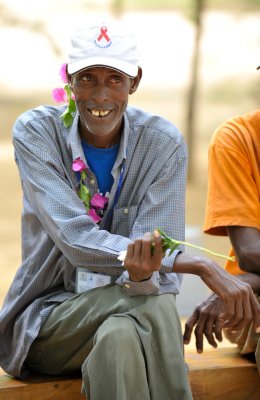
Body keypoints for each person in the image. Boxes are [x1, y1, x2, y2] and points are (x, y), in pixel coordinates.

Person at [0, 21, 259, 400]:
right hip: (50, 325)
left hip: (130, 315)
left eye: (115, 79)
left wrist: (141, 277)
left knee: (120, 337)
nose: (101, 95)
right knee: (153, 305)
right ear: (69, 79)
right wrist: (200, 265)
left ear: (134, 81)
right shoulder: (37, 132)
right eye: (87, 78)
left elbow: (156, 274)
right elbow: (75, 240)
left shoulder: (161, 143)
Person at [184, 75, 260, 373]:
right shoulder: (237, 137)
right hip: (251, 299)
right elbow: (251, 253)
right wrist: (243, 283)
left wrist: (242, 281)